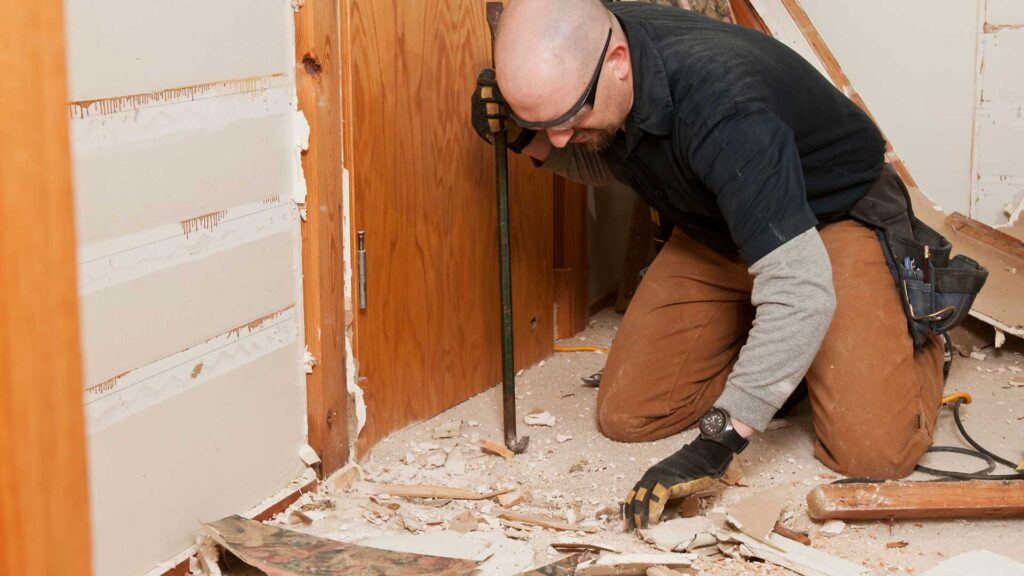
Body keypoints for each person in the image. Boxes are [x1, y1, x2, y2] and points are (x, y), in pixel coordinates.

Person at [470, 0, 946, 529]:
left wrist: (719, 441)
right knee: (629, 415)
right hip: (717, 224)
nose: (560, 136)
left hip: (826, 219)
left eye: (567, 118)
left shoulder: (725, 109)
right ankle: (784, 354)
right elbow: (604, 154)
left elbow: (801, 288)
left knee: (872, 452)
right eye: (547, 123)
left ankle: (916, 340)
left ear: (619, 61)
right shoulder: (601, 53)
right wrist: (525, 135)